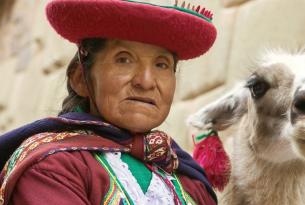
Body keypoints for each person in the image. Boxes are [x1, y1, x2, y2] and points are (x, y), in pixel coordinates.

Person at [0, 0, 217, 204]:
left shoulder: (188, 179)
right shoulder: (52, 167)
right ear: (80, 79)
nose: (146, 81)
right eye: (124, 59)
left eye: (161, 65)